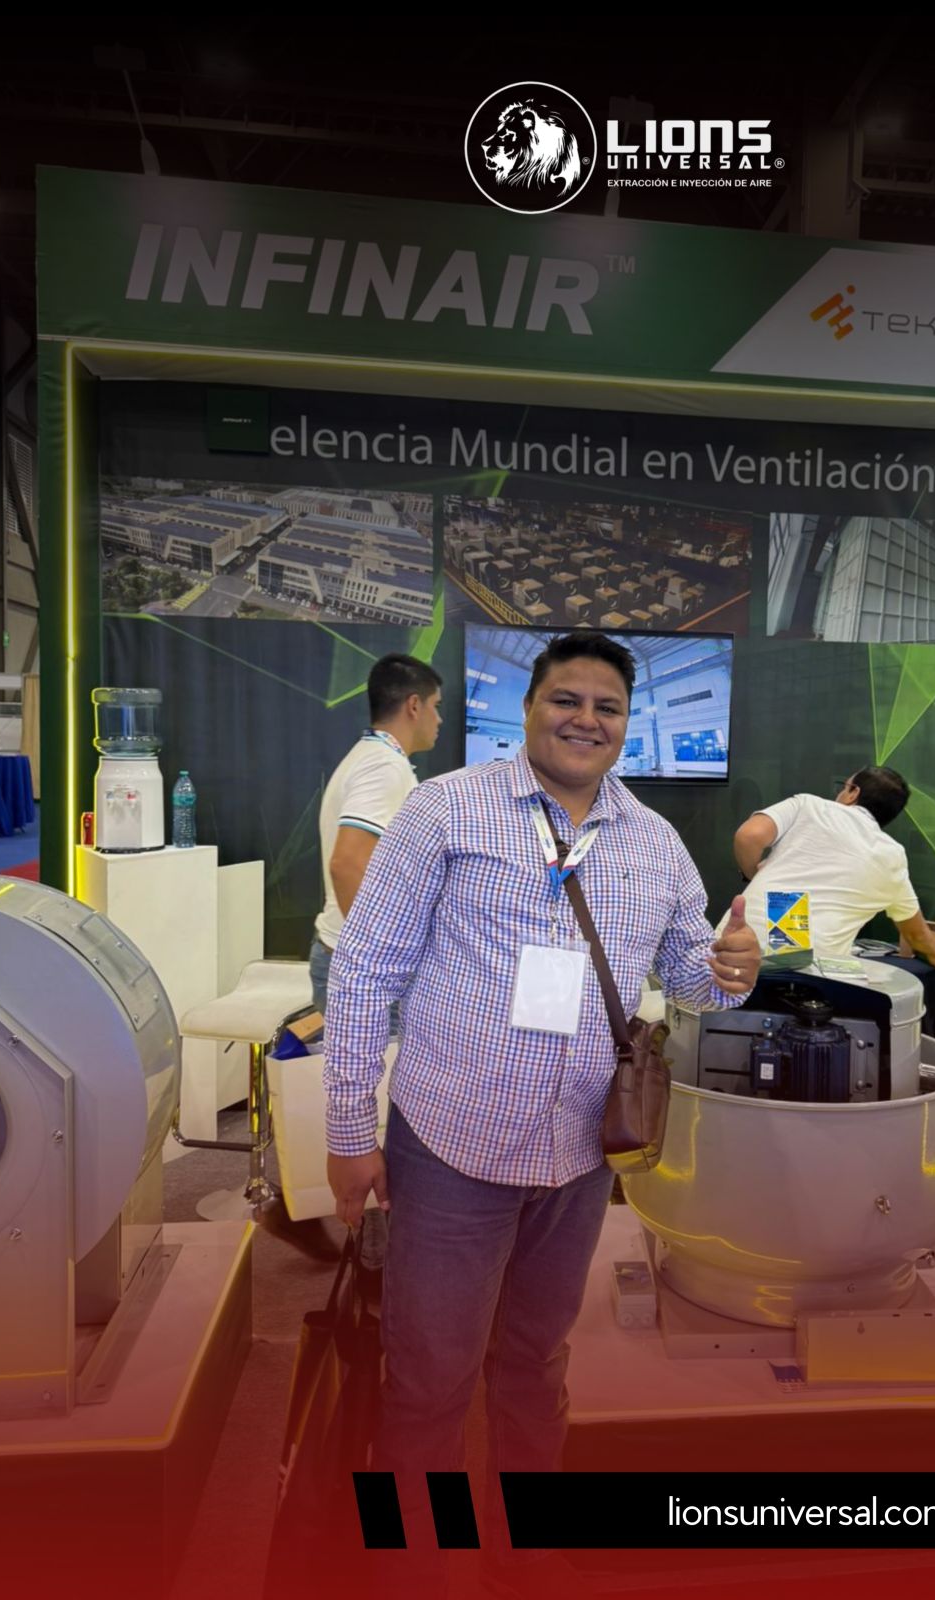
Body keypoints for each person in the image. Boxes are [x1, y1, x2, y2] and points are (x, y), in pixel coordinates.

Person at [322, 631, 760, 1590]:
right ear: (526, 709)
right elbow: (363, 973)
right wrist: (350, 1134)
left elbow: (694, 979)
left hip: (577, 1153)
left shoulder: (653, 842)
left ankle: (523, 1547)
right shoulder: (446, 810)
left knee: (535, 1361)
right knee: (429, 1374)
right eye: (567, 699)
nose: (585, 720)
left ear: (629, 724)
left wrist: (734, 970)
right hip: (451, 1144)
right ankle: (419, 1567)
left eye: (607, 707)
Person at [309, 653, 443, 1014]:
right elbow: (346, 863)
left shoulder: (372, 757)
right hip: (361, 969)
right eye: (436, 706)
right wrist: (376, 954)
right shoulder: (384, 766)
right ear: (414, 706)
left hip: (342, 955)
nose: (439, 719)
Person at [732, 766, 935, 968]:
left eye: (843, 787)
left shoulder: (808, 805)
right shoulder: (892, 854)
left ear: (853, 793)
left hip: (736, 953)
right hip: (813, 976)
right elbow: (916, 935)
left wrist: (753, 875)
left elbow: (749, 836)